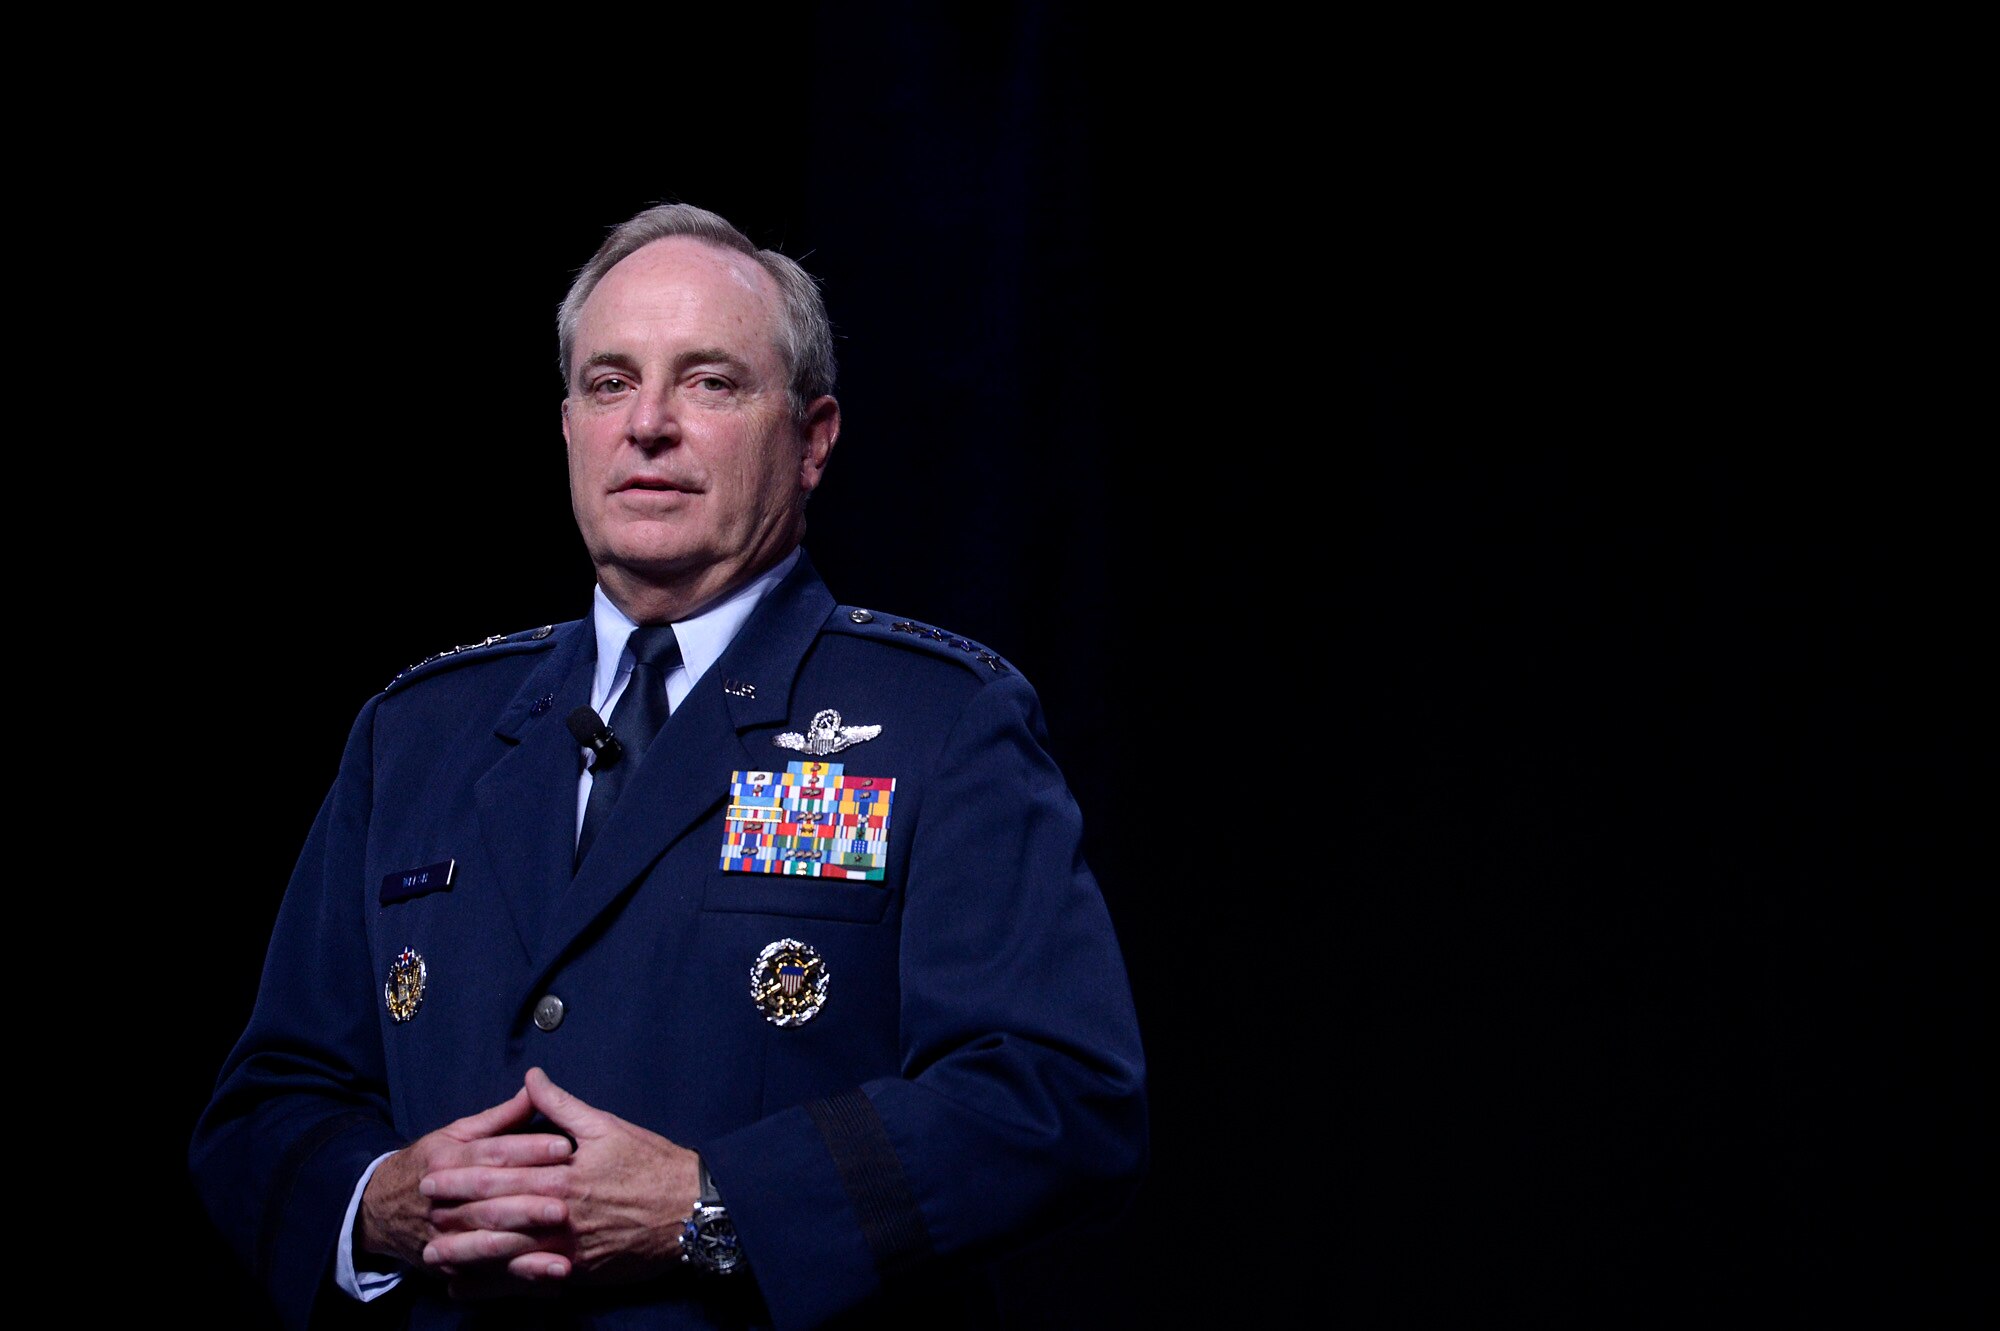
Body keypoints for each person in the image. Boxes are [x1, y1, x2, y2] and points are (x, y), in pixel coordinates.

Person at [190, 202, 1147, 1329]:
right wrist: (376, 1203)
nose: (646, 424)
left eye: (708, 382)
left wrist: (714, 1203)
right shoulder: (417, 733)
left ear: (812, 435)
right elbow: (266, 1104)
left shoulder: (938, 723)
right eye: (608, 382)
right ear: (565, 427)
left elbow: (1052, 1092)